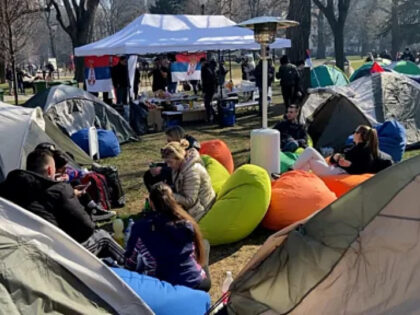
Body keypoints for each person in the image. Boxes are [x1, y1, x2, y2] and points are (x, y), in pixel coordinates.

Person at [0, 149, 125, 264]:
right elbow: (87, 229)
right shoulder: (59, 190)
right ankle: (136, 268)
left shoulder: (8, 190)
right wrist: (76, 200)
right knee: (102, 236)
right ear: (50, 170)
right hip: (56, 255)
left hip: (21, 252)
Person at [125, 183, 211, 291]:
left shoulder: (140, 227)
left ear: (151, 203)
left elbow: (130, 263)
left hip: (167, 289)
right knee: (205, 245)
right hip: (197, 281)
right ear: (173, 200)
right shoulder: (187, 223)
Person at [293, 125, 379, 176]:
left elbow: (363, 169)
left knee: (309, 159)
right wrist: (336, 156)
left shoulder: (364, 151)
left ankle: (291, 172)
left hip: (339, 173)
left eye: (355, 132)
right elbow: (333, 160)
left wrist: (350, 165)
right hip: (334, 168)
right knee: (310, 150)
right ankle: (297, 175)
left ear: (360, 135)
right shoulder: (351, 146)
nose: (353, 134)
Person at [160, 140, 215, 221]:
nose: (168, 165)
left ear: (178, 158)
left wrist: (169, 194)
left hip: (201, 210)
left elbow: (190, 201)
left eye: (170, 162)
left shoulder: (192, 172)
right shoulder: (179, 166)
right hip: (193, 207)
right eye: (166, 162)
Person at [143, 126, 201, 192]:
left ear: (176, 138)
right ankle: (155, 197)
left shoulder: (189, 150)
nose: (168, 143)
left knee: (153, 175)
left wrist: (162, 169)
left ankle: (162, 196)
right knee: (149, 174)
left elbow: (181, 167)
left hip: (182, 174)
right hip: (176, 170)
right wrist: (158, 165)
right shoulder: (178, 147)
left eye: (169, 141)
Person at [200, 58, 217, 123]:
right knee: (208, 103)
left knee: (207, 104)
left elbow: (205, 81)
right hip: (212, 88)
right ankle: (212, 116)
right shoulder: (210, 68)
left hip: (208, 89)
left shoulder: (205, 69)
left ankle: (211, 117)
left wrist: (204, 91)